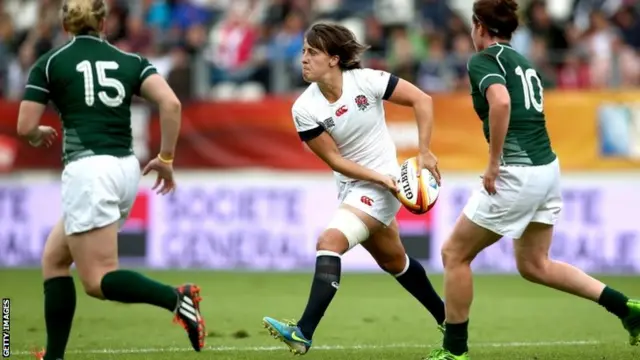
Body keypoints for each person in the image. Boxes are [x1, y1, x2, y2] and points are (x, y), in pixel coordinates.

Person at [425, 1, 640, 359]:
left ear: (479, 26)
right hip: (547, 169)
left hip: (517, 172)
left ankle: (454, 351)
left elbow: (502, 103)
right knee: (534, 264)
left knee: (454, 254)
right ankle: (626, 308)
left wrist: (494, 163)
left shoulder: (482, 61)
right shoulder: (525, 62)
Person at [15, 1, 206, 359]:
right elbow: (171, 104)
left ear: (66, 24)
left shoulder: (51, 62)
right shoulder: (131, 61)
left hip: (88, 170)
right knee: (54, 260)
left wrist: (38, 133)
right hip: (125, 168)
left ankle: (176, 299)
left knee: (97, 280)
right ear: (104, 21)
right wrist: (165, 158)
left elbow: (24, 126)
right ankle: (53, 356)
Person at [262, 23, 445, 355]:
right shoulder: (304, 108)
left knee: (329, 241)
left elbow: (422, 100)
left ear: (333, 59)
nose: (303, 58)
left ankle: (303, 332)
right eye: (303, 51)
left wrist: (424, 151)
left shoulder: (367, 81)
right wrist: (376, 179)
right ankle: (451, 320)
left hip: (386, 186)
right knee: (395, 262)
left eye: (311, 52)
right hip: (359, 185)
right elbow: (334, 160)